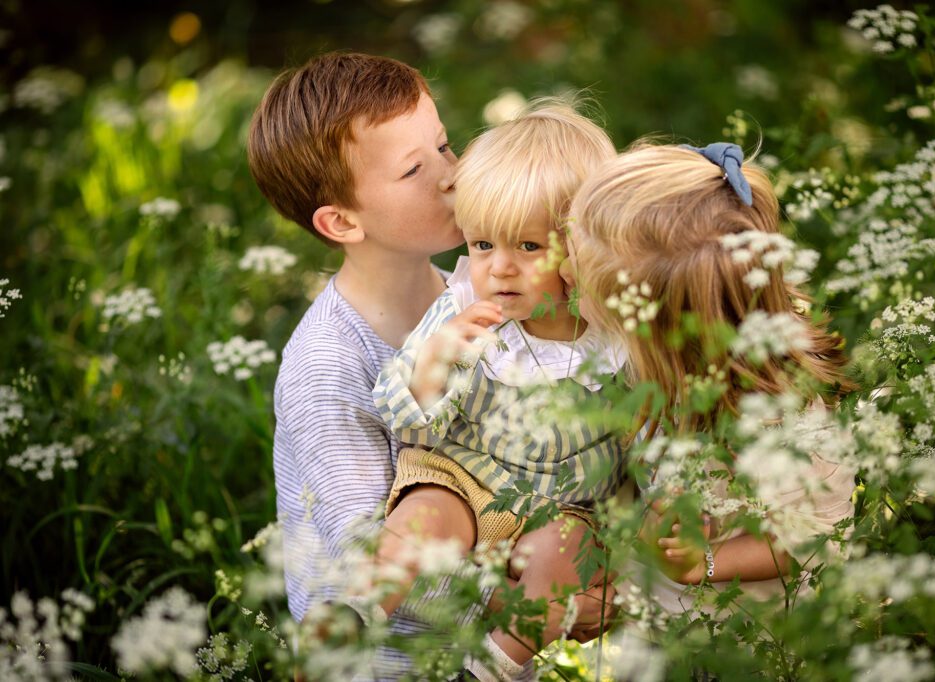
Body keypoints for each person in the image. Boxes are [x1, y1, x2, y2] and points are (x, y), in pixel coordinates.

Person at [248, 51, 540, 680]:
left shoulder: (470, 295)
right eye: (414, 169)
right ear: (342, 221)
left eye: (445, 146)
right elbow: (373, 562)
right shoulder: (328, 366)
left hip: (483, 648)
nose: (452, 176)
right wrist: (526, 558)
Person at [371, 102, 623, 681]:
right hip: (465, 478)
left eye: (528, 248)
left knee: (564, 556)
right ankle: (351, 616)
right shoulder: (464, 306)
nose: (499, 269)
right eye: (483, 245)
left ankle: (495, 665)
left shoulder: (614, 337)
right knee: (423, 515)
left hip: (562, 506)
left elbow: (646, 435)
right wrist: (435, 363)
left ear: (584, 249)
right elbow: (402, 419)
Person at [560, 142, 856, 615]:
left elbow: (814, 540)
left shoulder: (782, 425)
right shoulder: (649, 360)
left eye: (579, 272)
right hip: (648, 609)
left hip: (736, 640)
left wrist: (702, 564)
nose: (561, 271)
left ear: (658, 334)